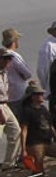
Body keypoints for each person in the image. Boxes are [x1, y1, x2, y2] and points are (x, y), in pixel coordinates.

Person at [0, 27, 29, 169]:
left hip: (6, 102)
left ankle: (9, 162)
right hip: (5, 103)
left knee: (15, 130)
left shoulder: (4, 69)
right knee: (10, 131)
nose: (7, 61)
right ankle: (11, 161)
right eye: (5, 59)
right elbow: (26, 73)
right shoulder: (13, 59)